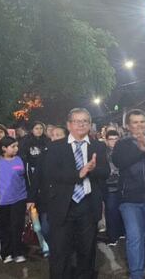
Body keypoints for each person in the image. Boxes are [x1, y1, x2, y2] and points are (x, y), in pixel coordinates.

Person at [43, 108, 109, 278]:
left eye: (85, 121)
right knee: (60, 253)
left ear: (90, 124)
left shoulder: (98, 146)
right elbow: (50, 173)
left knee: (86, 253)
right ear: (69, 125)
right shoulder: (55, 147)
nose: (81, 124)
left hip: (88, 206)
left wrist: (92, 170)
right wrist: (78, 174)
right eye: (77, 121)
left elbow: (106, 172)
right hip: (63, 207)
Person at [112, 109, 145, 279]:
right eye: (135, 122)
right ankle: (136, 273)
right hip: (129, 198)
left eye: (142, 121)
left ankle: (144, 257)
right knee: (134, 236)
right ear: (128, 126)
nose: (139, 125)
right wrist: (140, 148)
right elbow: (120, 162)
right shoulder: (122, 144)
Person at [103, 130, 124, 246]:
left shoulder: (123, 151)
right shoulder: (103, 153)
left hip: (122, 185)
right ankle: (112, 236)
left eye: (116, 139)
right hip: (110, 186)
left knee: (122, 210)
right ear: (106, 140)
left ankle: (121, 232)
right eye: (111, 139)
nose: (114, 142)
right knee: (111, 211)